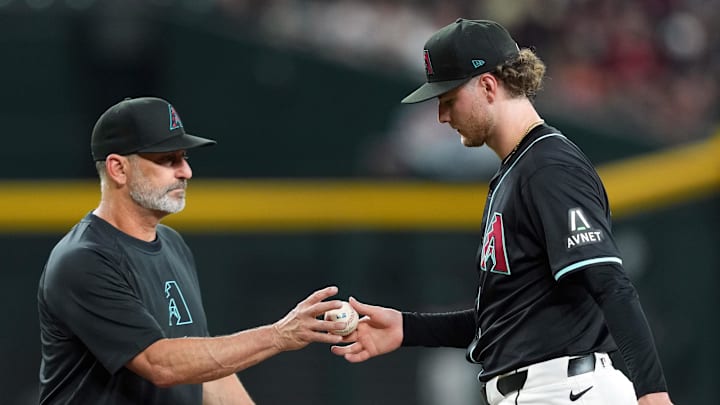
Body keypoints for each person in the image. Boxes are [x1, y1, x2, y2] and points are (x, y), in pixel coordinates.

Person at [331, 19, 673, 405]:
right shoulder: (515, 172)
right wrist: (408, 329)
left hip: (569, 391)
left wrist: (653, 394)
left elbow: (610, 283)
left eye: (448, 99)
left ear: (488, 86)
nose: (443, 116)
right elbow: (506, 317)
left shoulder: (548, 166)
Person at [37, 97, 349, 404]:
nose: (185, 171)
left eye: (184, 157)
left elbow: (205, 369)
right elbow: (159, 364)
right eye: (168, 159)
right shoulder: (84, 259)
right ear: (118, 168)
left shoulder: (173, 244)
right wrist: (278, 335)